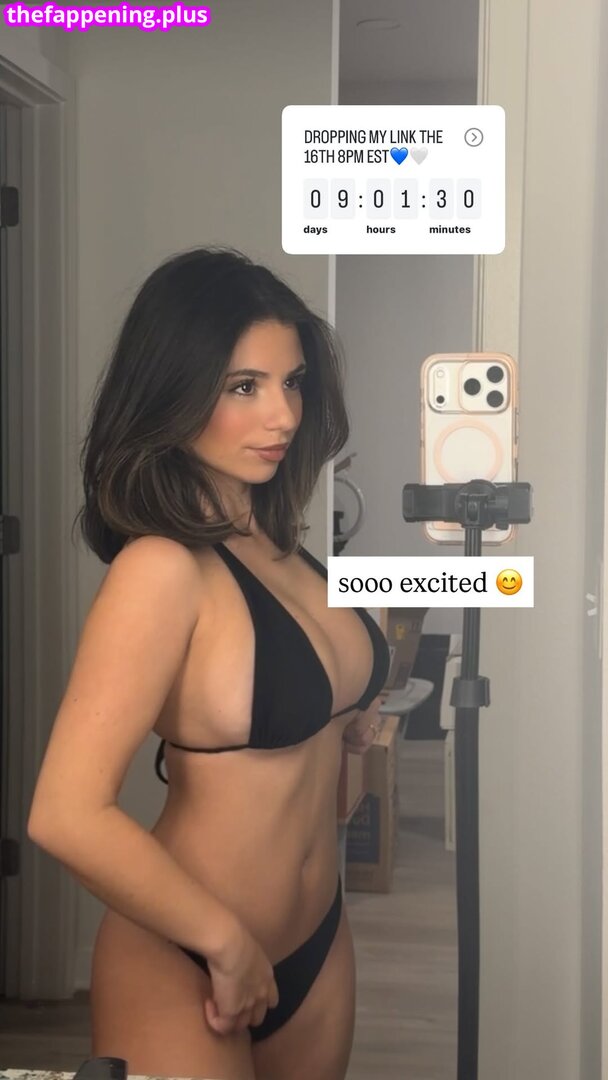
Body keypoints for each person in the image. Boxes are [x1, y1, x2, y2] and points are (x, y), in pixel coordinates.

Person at [27, 247, 390, 1080]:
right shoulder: (160, 570)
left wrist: (352, 714)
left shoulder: (288, 552)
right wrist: (223, 941)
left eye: (292, 382)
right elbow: (65, 813)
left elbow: (306, 725)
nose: (283, 415)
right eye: (244, 387)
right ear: (174, 392)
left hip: (316, 941)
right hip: (187, 952)